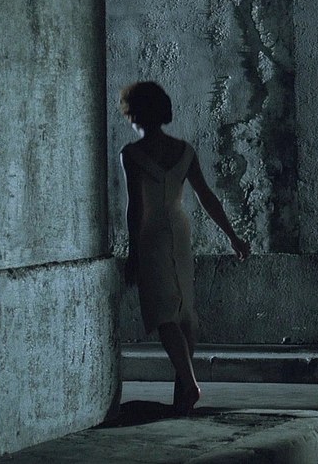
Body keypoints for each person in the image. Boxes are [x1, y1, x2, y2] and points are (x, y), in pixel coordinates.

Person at [119, 81, 251, 416]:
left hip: (151, 235)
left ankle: (190, 385)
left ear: (135, 113)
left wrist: (133, 252)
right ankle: (182, 397)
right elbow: (207, 197)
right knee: (183, 313)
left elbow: (136, 208)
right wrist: (233, 236)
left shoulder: (131, 155)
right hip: (179, 232)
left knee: (162, 313)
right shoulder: (185, 151)